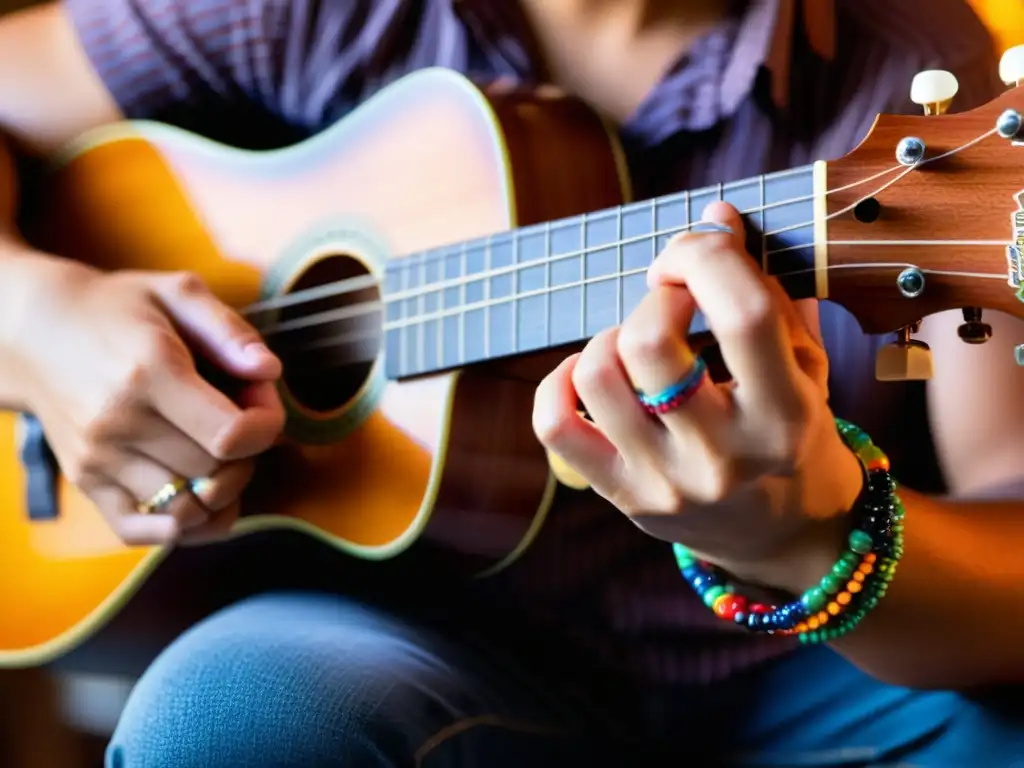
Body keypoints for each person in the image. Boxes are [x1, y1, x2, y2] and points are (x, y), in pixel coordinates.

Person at [2, 0, 1023, 765]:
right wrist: (40, 319)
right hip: (406, 647)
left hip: (813, 682)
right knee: (229, 716)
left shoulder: (922, 72)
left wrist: (809, 540)